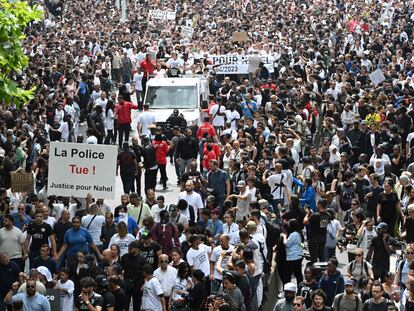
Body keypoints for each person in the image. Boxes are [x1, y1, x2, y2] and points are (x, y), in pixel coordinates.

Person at [120, 240, 146, 311]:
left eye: (131, 248)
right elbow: (119, 269)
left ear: (137, 249)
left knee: (137, 305)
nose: (129, 249)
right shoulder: (125, 257)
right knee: (125, 304)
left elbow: (145, 273)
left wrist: (144, 284)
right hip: (126, 283)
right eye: (129, 248)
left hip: (138, 284)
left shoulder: (142, 259)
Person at [304, 199, 330, 263]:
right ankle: (322, 270)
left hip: (314, 238)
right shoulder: (328, 215)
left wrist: (307, 214)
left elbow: (305, 222)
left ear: (319, 205)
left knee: (313, 257)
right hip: (323, 238)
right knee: (322, 256)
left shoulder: (315, 215)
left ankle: (315, 271)